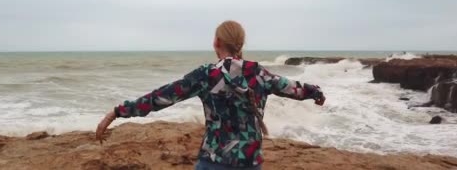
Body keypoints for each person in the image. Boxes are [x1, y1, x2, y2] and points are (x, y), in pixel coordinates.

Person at [95, 20, 326, 169]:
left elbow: (161, 98)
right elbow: (293, 88)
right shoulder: (259, 75)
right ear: (240, 43)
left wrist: (118, 112)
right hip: (249, 162)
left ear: (216, 42)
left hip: (214, 161)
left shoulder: (206, 75)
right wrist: (315, 92)